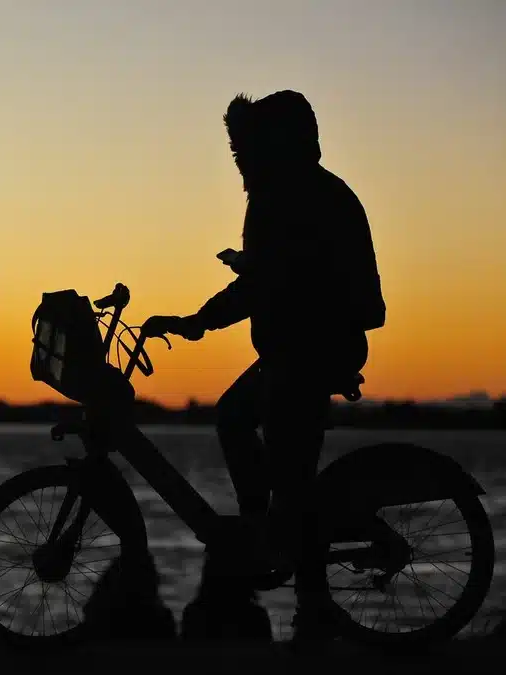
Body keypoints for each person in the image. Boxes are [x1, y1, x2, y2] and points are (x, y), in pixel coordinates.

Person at [143, 89, 385, 641]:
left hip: (314, 349)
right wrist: (237, 285)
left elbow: (272, 282)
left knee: (291, 473)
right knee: (234, 420)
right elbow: (281, 273)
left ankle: (312, 603)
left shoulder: (294, 195)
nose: (241, 164)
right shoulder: (295, 192)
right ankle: (261, 530)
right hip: (293, 348)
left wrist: (198, 320)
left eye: (246, 150)